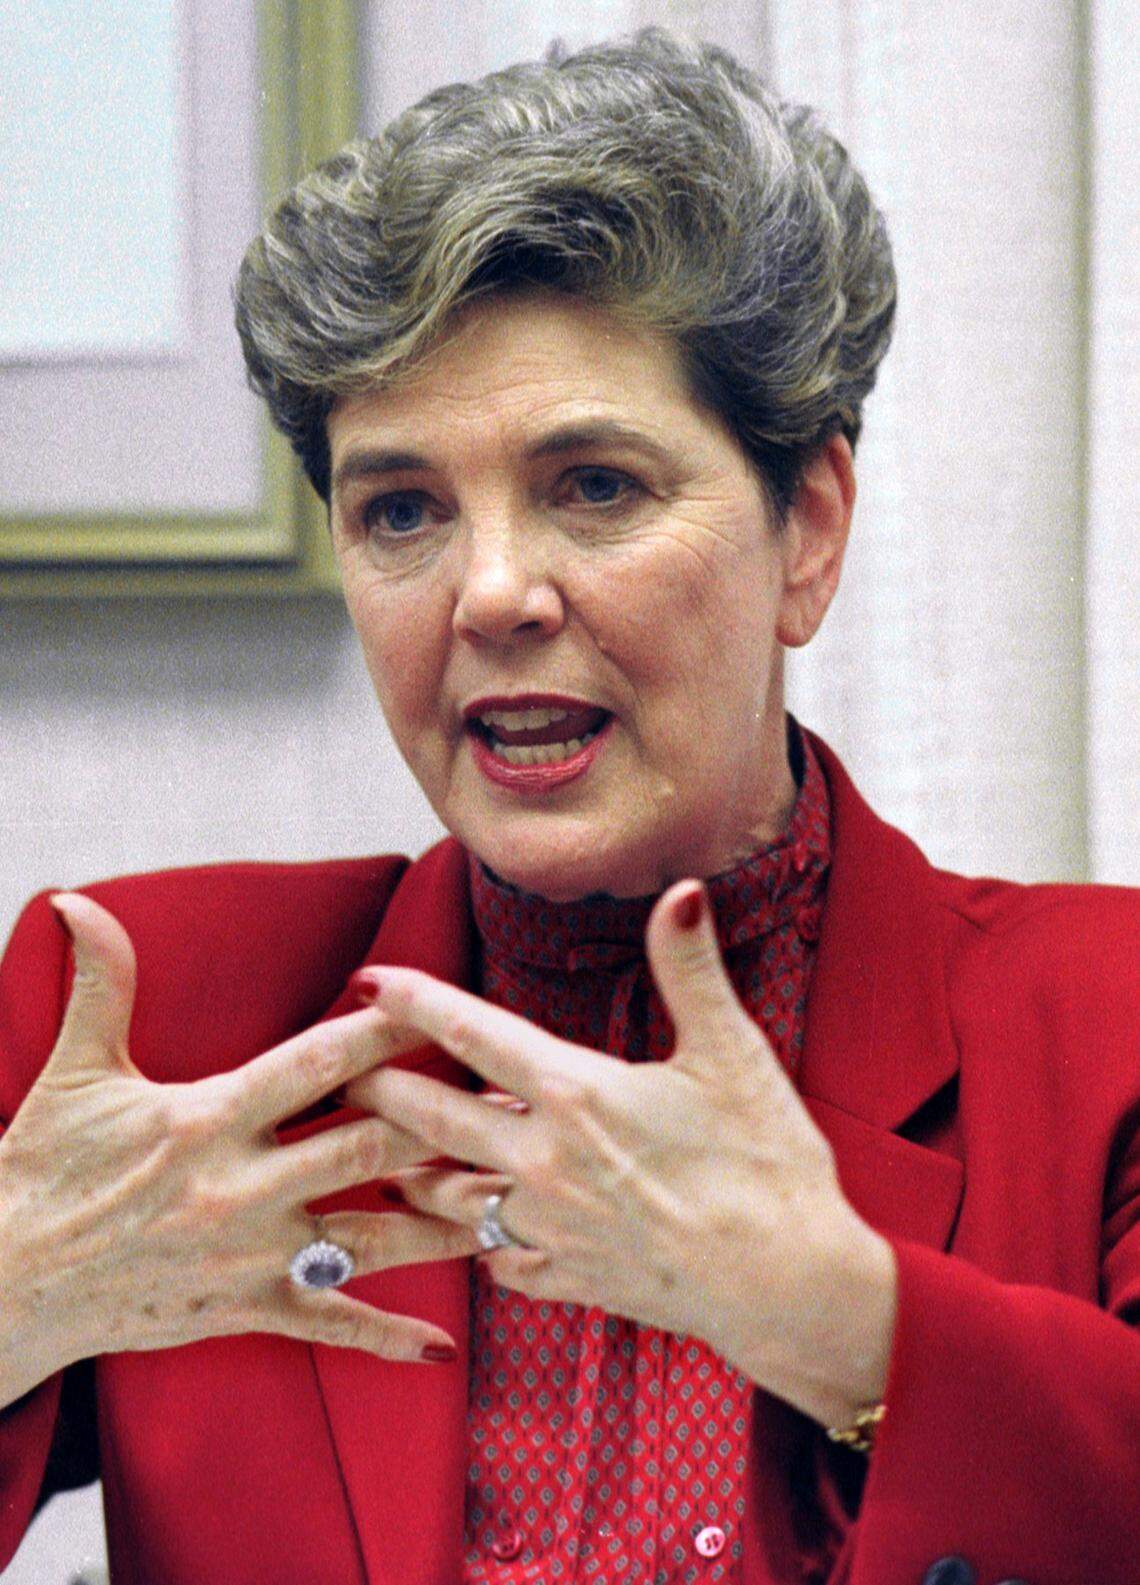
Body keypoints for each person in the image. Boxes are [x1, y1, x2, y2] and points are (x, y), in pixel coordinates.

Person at [0, 28, 1136, 1585]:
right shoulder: (160, 1019)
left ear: (807, 528)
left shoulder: (1100, 1025)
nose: (491, 593)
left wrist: (853, 1327)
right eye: (401, 508)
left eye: (594, 484)